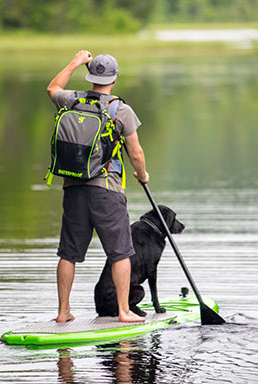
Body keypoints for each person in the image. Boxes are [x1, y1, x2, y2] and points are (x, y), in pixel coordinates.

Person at [47, 50, 149, 323]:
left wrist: (75, 61)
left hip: (73, 186)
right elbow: (136, 153)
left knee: (69, 252)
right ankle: (124, 311)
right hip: (107, 190)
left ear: (89, 76)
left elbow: (52, 87)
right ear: (114, 79)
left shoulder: (70, 100)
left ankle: (63, 312)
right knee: (120, 252)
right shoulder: (121, 110)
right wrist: (142, 175)